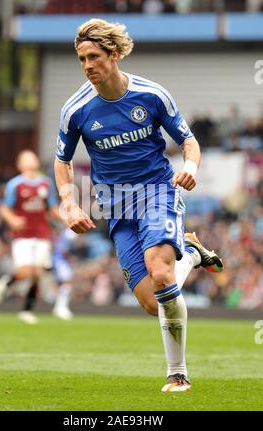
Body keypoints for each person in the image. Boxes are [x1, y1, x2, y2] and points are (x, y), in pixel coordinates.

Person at [54, 19, 223, 392]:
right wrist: (69, 203)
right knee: (153, 302)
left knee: (161, 273)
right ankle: (191, 254)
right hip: (116, 208)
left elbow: (188, 141)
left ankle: (177, 373)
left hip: (157, 191)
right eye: (81, 59)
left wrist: (190, 167)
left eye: (94, 56)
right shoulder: (76, 109)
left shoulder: (152, 95)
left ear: (114, 55)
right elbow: (62, 161)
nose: (87, 65)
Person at [0, 150, 73, 323]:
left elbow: (50, 208)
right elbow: (4, 208)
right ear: (20, 165)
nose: (32, 160)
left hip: (42, 234)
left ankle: (27, 310)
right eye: (27, 158)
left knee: (37, 274)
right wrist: (12, 219)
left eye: (33, 157)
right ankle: (6, 282)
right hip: (22, 235)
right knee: (26, 270)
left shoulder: (46, 183)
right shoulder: (15, 184)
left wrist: (67, 219)